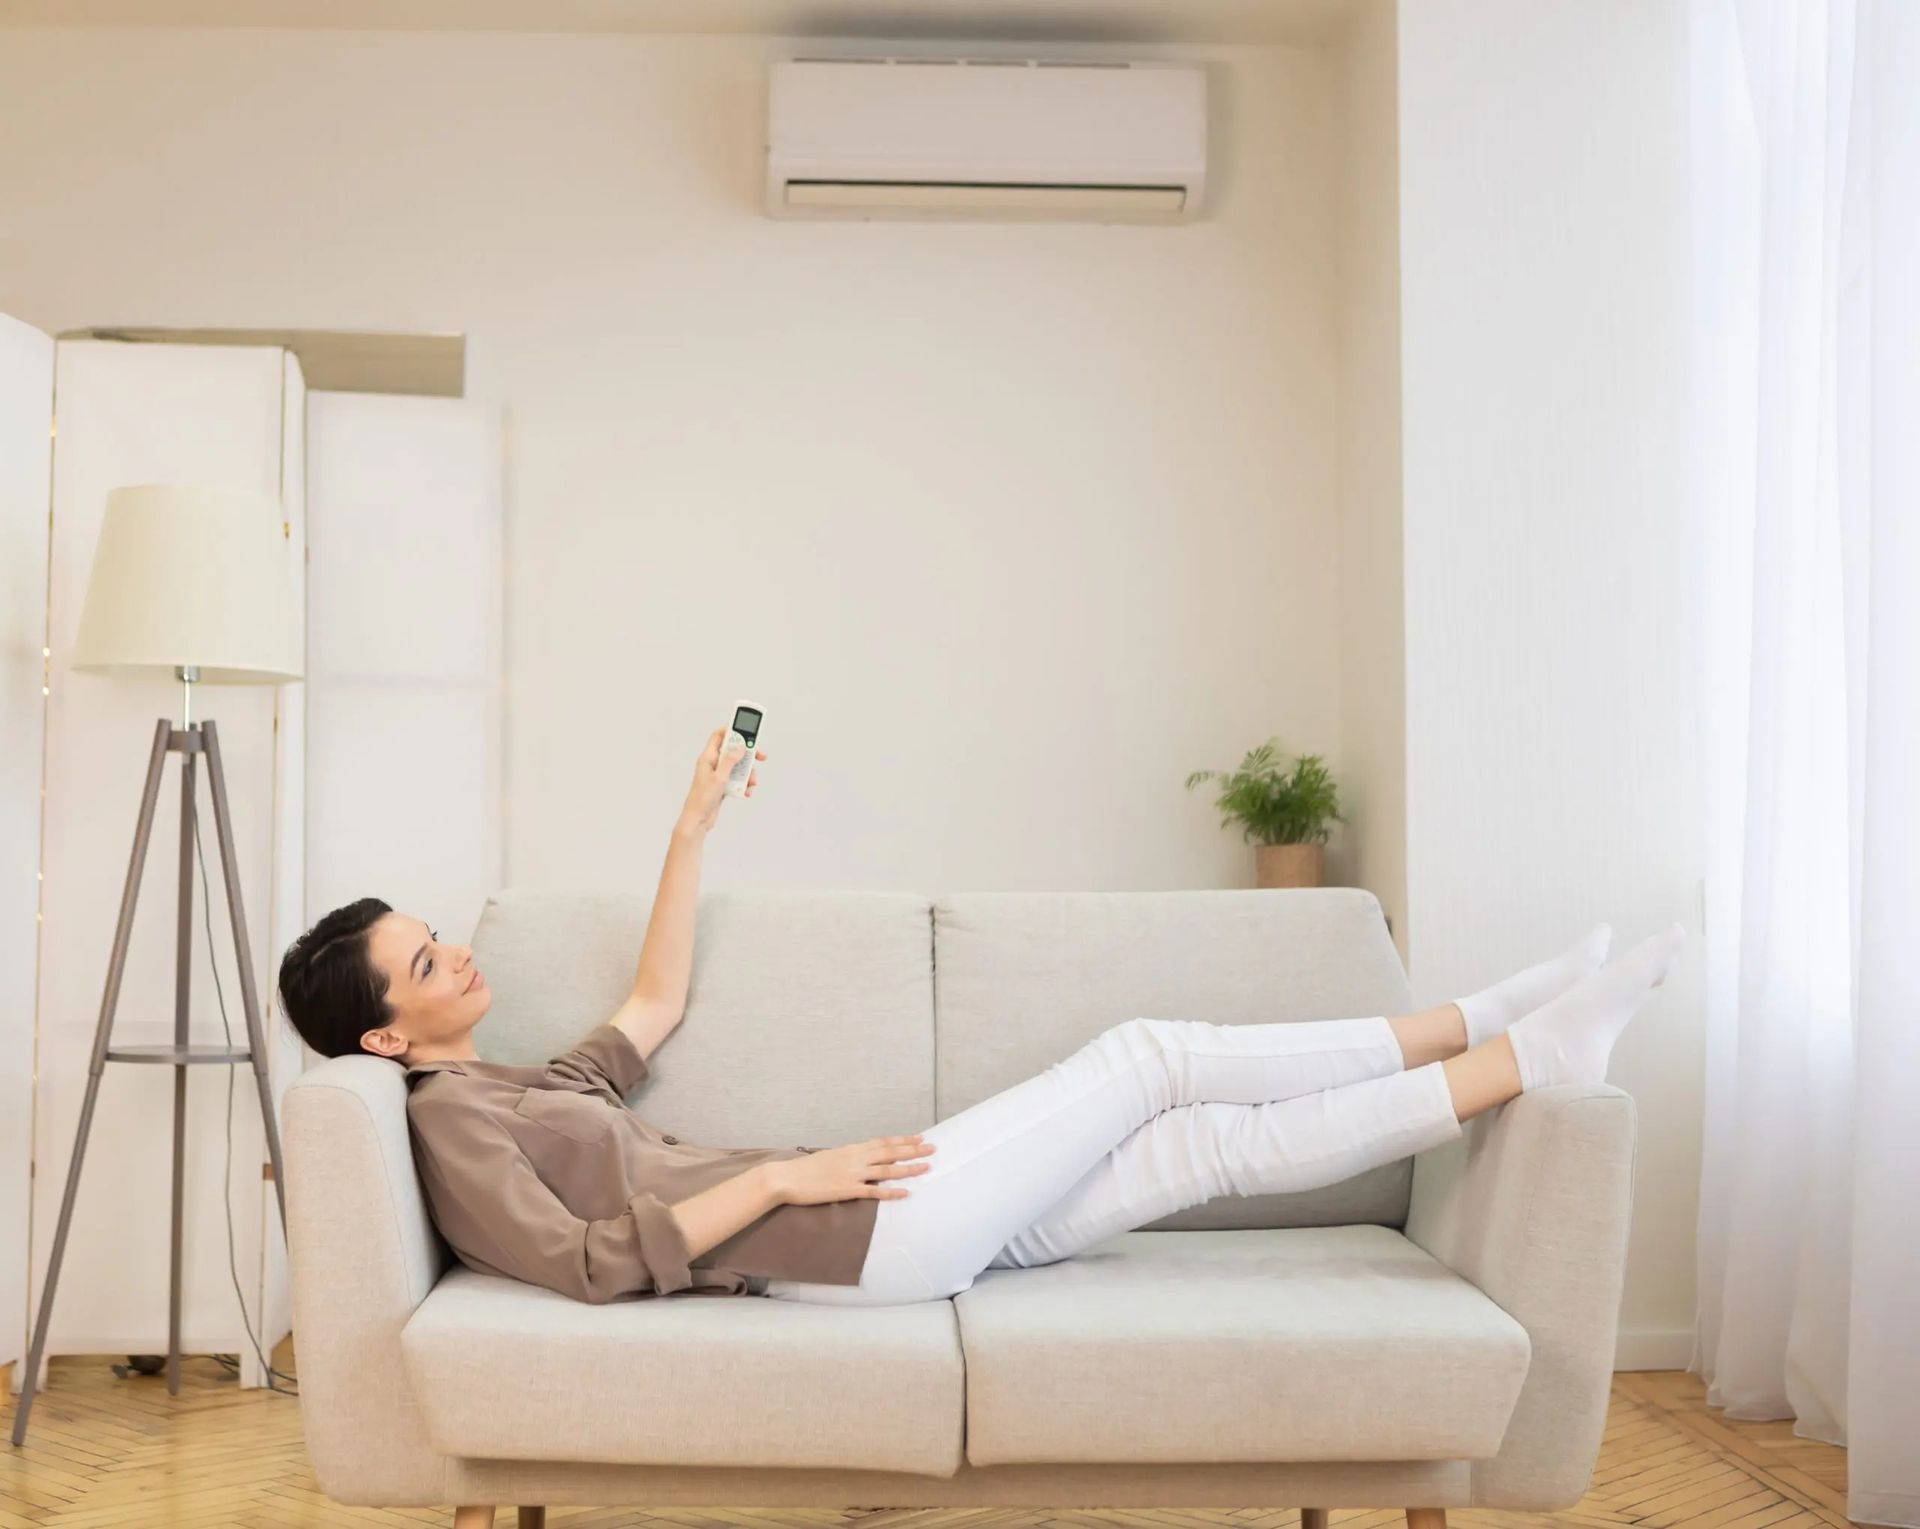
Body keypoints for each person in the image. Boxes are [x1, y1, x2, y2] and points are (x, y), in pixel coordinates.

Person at [277, 727, 1686, 1308]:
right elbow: (583, 1264)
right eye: (427, 962)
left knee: (1203, 1150)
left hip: (885, 1229)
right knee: (1150, 1058)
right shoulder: (451, 1124)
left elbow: (656, 998)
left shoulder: (523, 1081)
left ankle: (1516, 1054)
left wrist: (692, 821)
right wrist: (783, 1178)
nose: (459, 953)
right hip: (858, 1231)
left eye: (439, 937)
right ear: (385, 1038)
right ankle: (1473, 1020)